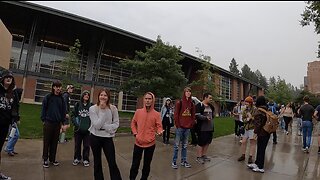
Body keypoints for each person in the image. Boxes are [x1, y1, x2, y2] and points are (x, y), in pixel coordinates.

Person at [89, 89, 122, 180]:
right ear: (98, 96)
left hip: (107, 138)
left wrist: (106, 127)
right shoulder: (93, 108)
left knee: (112, 162)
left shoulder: (113, 108)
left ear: (108, 97)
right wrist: (103, 111)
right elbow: (96, 126)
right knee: (97, 162)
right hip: (95, 137)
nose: (103, 97)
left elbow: (116, 123)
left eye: (105, 95)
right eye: (101, 95)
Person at [129, 92, 163, 180]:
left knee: (146, 165)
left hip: (150, 144)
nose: (147, 101)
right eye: (146, 99)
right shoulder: (138, 112)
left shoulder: (156, 114)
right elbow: (133, 123)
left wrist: (159, 132)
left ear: (153, 101)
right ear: (144, 100)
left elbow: (159, 126)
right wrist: (135, 133)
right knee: (135, 165)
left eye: (149, 99)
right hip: (138, 143)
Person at [41, 80, 66, 168]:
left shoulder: (62, 98)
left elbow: (63, 111)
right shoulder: (48, 97)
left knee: (55, 142)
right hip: (48, 122)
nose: (58, 88)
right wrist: (43, 120)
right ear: (53, 87)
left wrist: (63, 123)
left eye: (59, 87)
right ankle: (45, 159)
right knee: (47, 142)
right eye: (56, 86)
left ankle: (52, 159)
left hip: (57, 124)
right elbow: (43, 108)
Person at [0, 69, 20, 180]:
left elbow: (15, 107)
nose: (9, 78)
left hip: (4, 125)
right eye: (6, 77)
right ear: (2, 79)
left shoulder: (13, 93)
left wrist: (14, 119)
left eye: (11, 77)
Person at [171, 87, 195, 169]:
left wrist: (191, 124)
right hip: (180, 127)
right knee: (177, 146)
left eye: (189, 91)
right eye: (187, 91)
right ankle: (174, 161)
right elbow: (176, 115)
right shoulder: (179, 103)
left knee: (185, 146)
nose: (188, 93)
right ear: (184, 93)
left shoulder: (192, 104)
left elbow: (193, 115)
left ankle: (183, 161)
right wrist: (178, 125)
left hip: (187, 128)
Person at [248, 96, 270, 173]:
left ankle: (260, 167)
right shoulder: (266, 109)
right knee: (261, 148)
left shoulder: (259, 111)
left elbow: (258, 124)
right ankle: (257, 163)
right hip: (267, 132)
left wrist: (255, 133)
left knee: (261, 149)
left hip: (262, 133)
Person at [72, 90, 93, 167]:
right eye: (85, 94)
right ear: (82, 96)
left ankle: (86, 159)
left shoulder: (91, 106)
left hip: (87, 130)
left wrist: (91, 126)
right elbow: (73, 115)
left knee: (87, 145)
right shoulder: (77, 105)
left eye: (88, 95)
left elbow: (94, 116)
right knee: (77, 145)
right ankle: (77, 158)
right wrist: (76, 124)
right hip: (78, 130)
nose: (86, 96)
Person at [195, 92, 214, 164]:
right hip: (202, 128)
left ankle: (204, 155)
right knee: (201, 142)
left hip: (210, 128)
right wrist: (205, 118)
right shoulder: (199, 105)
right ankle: (199, 157)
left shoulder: (211, 106)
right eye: (210, 98)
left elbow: (213, 115)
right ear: (205, 98)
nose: (211, 99)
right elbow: (197, 115)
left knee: (207, 142)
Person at [238, 96, 256, 164]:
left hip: (252, 128)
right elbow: (243, 118)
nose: (246, 103)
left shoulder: (254, 109)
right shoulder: (245, 110)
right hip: (246, 128)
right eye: (245, 102)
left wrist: (251, 118)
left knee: (252, 142)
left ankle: (250, 157)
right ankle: (243, 155)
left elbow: (257, 119)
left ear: (251, 103)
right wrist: (247, 119)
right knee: (243, 142)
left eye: (247, 102)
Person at [4, 88, 23, 156]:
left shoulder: (15, 100)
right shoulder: (13, 100)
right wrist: (17, 119)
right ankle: (8, 148)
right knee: (15, 135)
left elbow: (16, 111)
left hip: (12, 120)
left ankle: (11, 149)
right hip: (11, 120)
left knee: (12, 134)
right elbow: (14, 111)